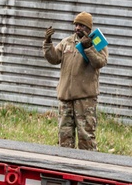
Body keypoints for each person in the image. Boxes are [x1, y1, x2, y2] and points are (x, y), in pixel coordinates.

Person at [43, 12, 108, 151]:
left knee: (86, 138)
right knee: (64, 137)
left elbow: (100, 62)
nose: (78, 28)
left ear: (89, 28)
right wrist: (48, 43)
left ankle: (88, 168)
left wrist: (88, 47)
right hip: (66, 98)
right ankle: (65, 167)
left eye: (82, 25)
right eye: (76, 25)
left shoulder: (97, 42)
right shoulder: (67, 42)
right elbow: (54, 59)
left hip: (85, 100)